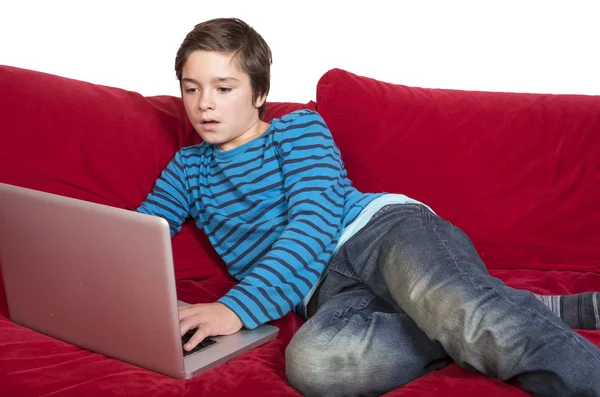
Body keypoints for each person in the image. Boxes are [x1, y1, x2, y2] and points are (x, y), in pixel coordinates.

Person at [136, 17, 600, 397]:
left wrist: (234, 310)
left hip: (379, 233)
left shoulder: (297, 131)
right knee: (313, 364)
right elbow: (140, 236)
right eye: (191, 88)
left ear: (259, 95)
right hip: (326, 292)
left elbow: (313, 226)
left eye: (223, 87)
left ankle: (476, 317)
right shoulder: (187, 168)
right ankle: (476, 314)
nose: (203, 105)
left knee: (463, 308)